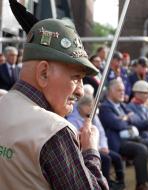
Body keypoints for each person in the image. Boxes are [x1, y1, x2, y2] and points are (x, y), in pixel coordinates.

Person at [0, 19, 108, 189]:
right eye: (75, 78)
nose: (80, 91)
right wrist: (90, 152)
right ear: (43, 73)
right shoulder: (54, 131)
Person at [99, 79, 148, 190]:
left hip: (132, 137)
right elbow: (117, 124)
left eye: (123, 90)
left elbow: (136, 121)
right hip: (117, 142)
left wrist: (125, 119)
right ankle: (142, 184)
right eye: (119, 90)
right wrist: (128, 118)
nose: (123, 93)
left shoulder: (122, 106)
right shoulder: (105, 107)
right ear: (110, 91)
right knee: (141, 149)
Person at [67, 95, 125, 189]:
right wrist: (97, 148)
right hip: (87, 150)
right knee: (106, 160)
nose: (92, 108)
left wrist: (104, 146)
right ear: (81, 106)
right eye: (89, 105)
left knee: (117, 157)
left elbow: (101, 132)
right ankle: (105, 184)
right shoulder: (72, 120)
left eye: (93, 105)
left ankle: (120, 182)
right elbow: (81, 139)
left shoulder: (94, 117)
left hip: (100, 147)